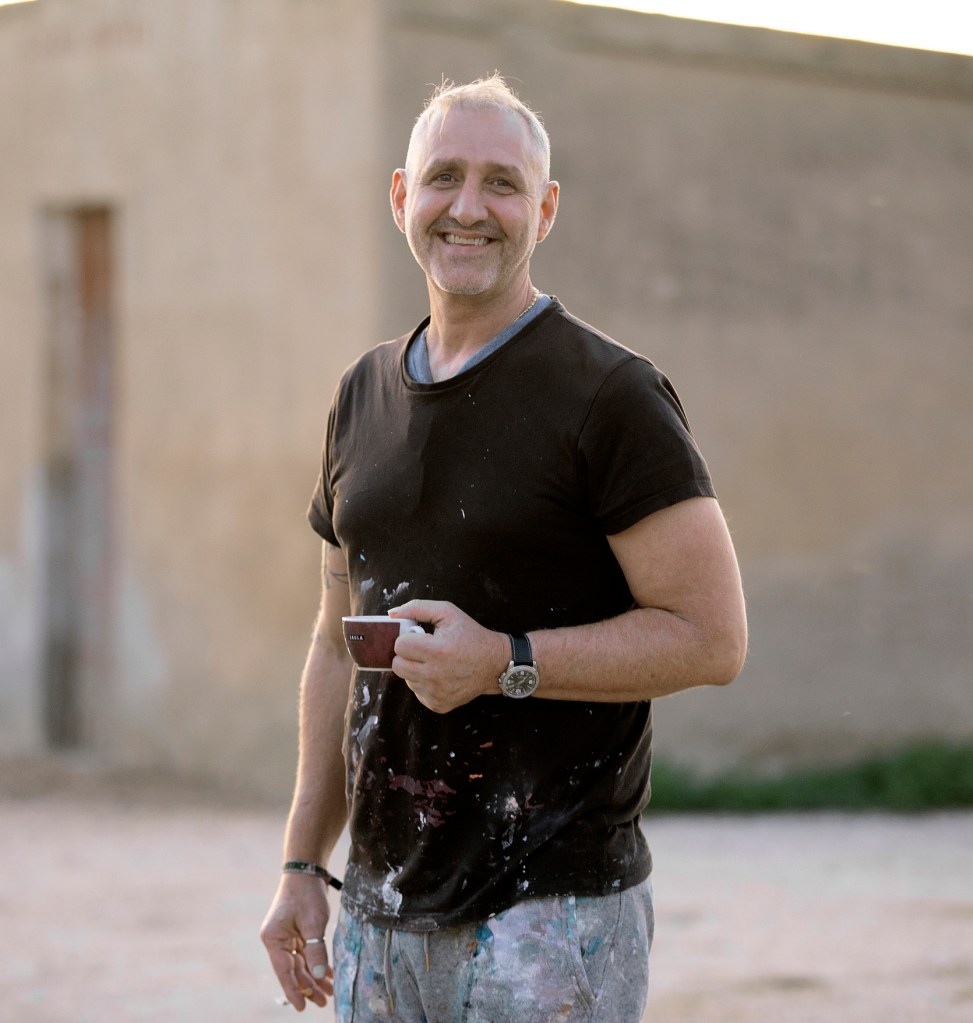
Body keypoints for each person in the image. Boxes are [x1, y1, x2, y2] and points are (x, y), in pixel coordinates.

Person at [260, 74, 747, 1021]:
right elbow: (332, 646)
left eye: (503, 184)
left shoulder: (611, 397)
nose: (469, 208)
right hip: (376, 917)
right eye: (444, 177)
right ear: (401, 196)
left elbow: (712, 638)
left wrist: (504, 661)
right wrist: (301, 864)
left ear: (545, 209)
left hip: (551, 918)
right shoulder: (361, 395)